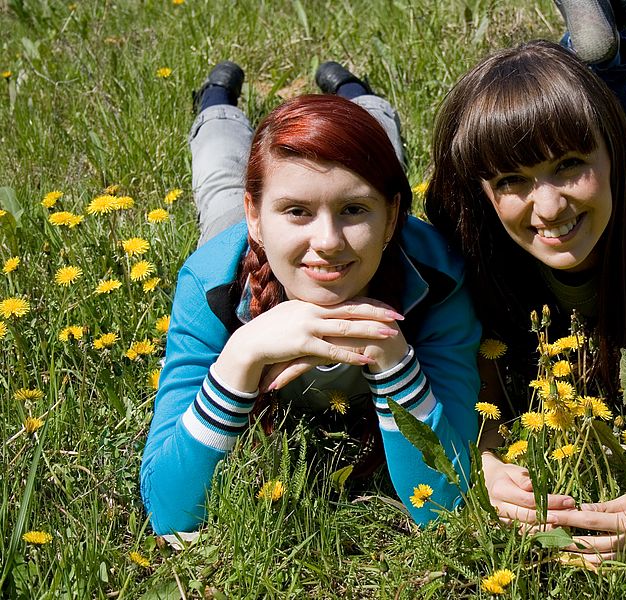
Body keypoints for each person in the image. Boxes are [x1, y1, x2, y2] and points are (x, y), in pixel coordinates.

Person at [425, 35, 626, 560]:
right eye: (513, 179)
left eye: (571, 164)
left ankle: (603, 45)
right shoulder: (465, 239)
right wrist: (483, 459)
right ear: (483, 192)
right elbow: (475, 401)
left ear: (615, 151)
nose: (549, 207)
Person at [140, 61, 481, 537]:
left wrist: (392, 358)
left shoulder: (439, 281)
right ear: (255, 217)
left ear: (391, 218)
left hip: (351, 237)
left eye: (354, 210)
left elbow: (444, 503)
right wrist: (241, 356)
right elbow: (168, 511)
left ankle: (352, 90)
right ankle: (217, 102)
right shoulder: (210, 284)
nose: (328, 241)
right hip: (251, 256)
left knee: (372, 150)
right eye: (296, 211)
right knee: (220, 181)